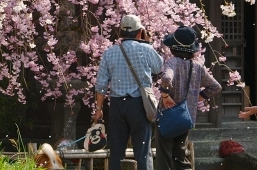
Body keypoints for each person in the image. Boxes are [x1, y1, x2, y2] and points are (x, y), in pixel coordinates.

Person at [94, 14, 163, 170]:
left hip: (117, 105)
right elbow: (159, 67)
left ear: (120, 32)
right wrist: (148, 41)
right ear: (140, 32)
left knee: (117, 150)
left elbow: (101, 85)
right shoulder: (146, 49)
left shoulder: (109, 52)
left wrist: (98, 110)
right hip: (138, 104)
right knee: (142, 150)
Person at [155, 26, 221, 170]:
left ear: (173, 47)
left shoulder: (173, 62)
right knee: (180, 156)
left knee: (164, 156)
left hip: (168, 114)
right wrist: (201, 96)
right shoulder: (198, 67)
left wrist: (165, 95)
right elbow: (216, 87)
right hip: (186, 117)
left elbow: (166, 78)